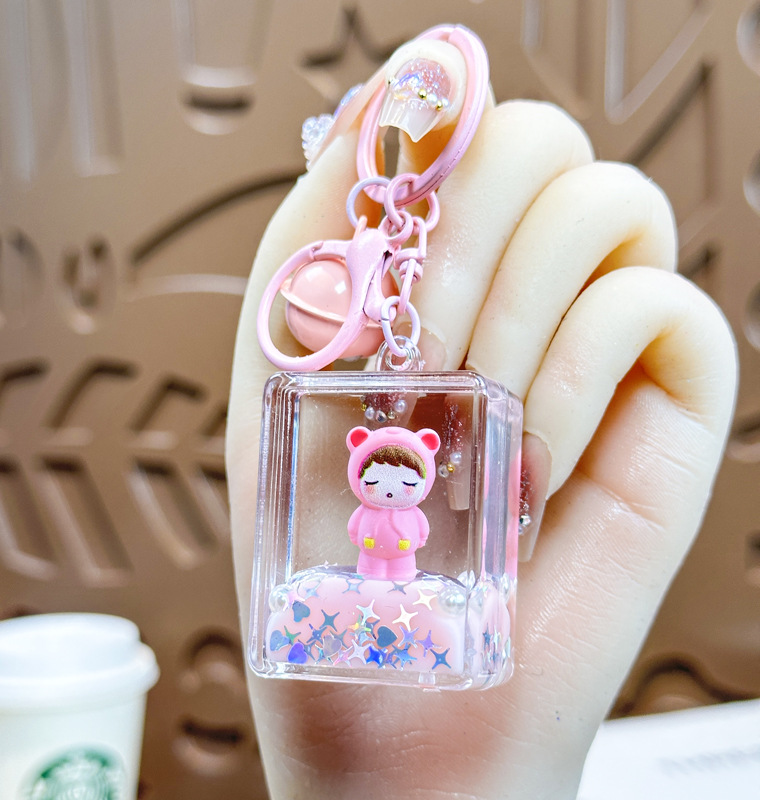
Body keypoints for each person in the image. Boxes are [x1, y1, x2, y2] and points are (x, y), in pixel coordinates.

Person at [226, 30, 737, 800]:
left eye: (399, 476)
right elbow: (375, 537)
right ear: (358, 451)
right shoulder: (344, 518)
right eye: (382, 476)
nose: (390, 488)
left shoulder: (410, 530)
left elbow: (406, 539)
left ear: (425, 455)